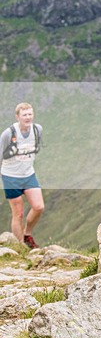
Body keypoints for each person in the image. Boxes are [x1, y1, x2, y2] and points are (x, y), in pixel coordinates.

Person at [0, 103, 44, 248]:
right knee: (18, 213)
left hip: (28, 175)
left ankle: (27, 234)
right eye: (24, 115)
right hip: (10, 176)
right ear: (17, 117)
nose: (27, 117)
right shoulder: (9, 133)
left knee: (38, 207)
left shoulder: (37, 130)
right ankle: (20, 247)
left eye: (30, 114)